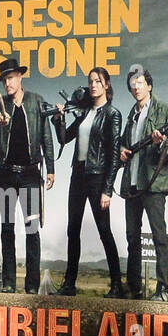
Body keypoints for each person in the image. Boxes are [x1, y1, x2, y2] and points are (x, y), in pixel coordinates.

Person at [50, 69, 124, 297]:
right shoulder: (84, 113)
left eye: (97, 81)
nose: (93, 85)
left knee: (104, 230)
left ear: (106, 85)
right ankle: (69, 284)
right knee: (73, 229)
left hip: (98, 176)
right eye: (90, 82)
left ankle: (116, 286)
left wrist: (107, 190)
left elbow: (113, 155)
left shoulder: (112, 114)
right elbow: (64, 138)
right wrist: (58, 120)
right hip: (78, 175)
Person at [0, 54, 54, 294]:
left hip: (30, 175)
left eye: (11, 78)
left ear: (20, 77)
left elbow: (46, 135)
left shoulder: (37, 101)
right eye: (4, 80)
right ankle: (8, 283)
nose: (7, 83)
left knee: (31, 229)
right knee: (7, 228)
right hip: (5, 174)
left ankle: (32, 285)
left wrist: (51, 169)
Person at [119, 64, 168, 301]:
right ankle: (134, 290)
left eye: (140, 82)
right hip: (131, 186)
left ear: (149, 85)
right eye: (133, 84)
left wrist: (160, 142)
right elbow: (123, 146)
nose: (136, 87)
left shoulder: (165, 110)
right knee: (132, 238)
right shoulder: (131, 116)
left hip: (153, 185)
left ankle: (163, 289)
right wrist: (122, 151)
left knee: (159, 237)